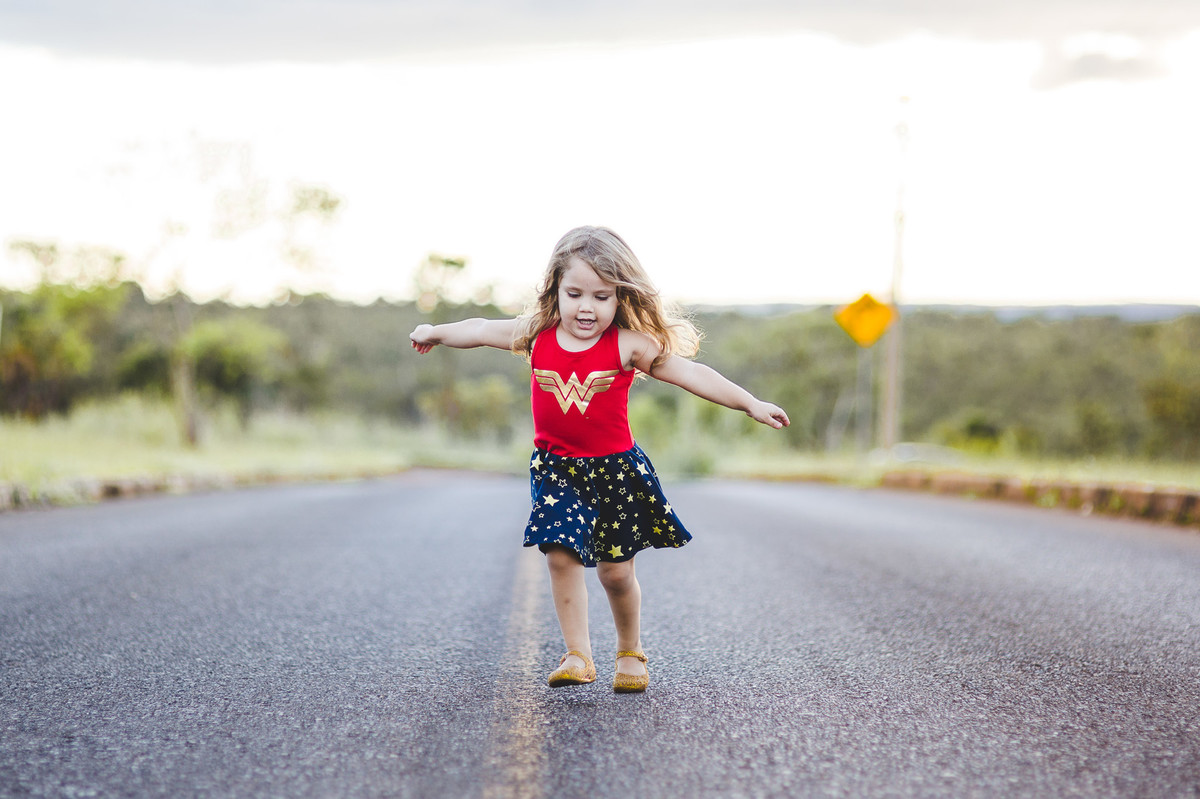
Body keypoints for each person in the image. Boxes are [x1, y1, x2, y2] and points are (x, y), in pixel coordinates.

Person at [409, 225, 789, 693]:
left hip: (615, 472)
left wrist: (750, 402)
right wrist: (435, 331)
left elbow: (692, 373)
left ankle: (630, 652)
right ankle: (578, 654)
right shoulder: (536, 334)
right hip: (557, 469)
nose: (586, 307)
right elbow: (480, 328)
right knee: (559, 553)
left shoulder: (627, 344)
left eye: (601, 297)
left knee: (615, 572)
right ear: (555, 291)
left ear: (619, 298)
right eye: (575, 294)